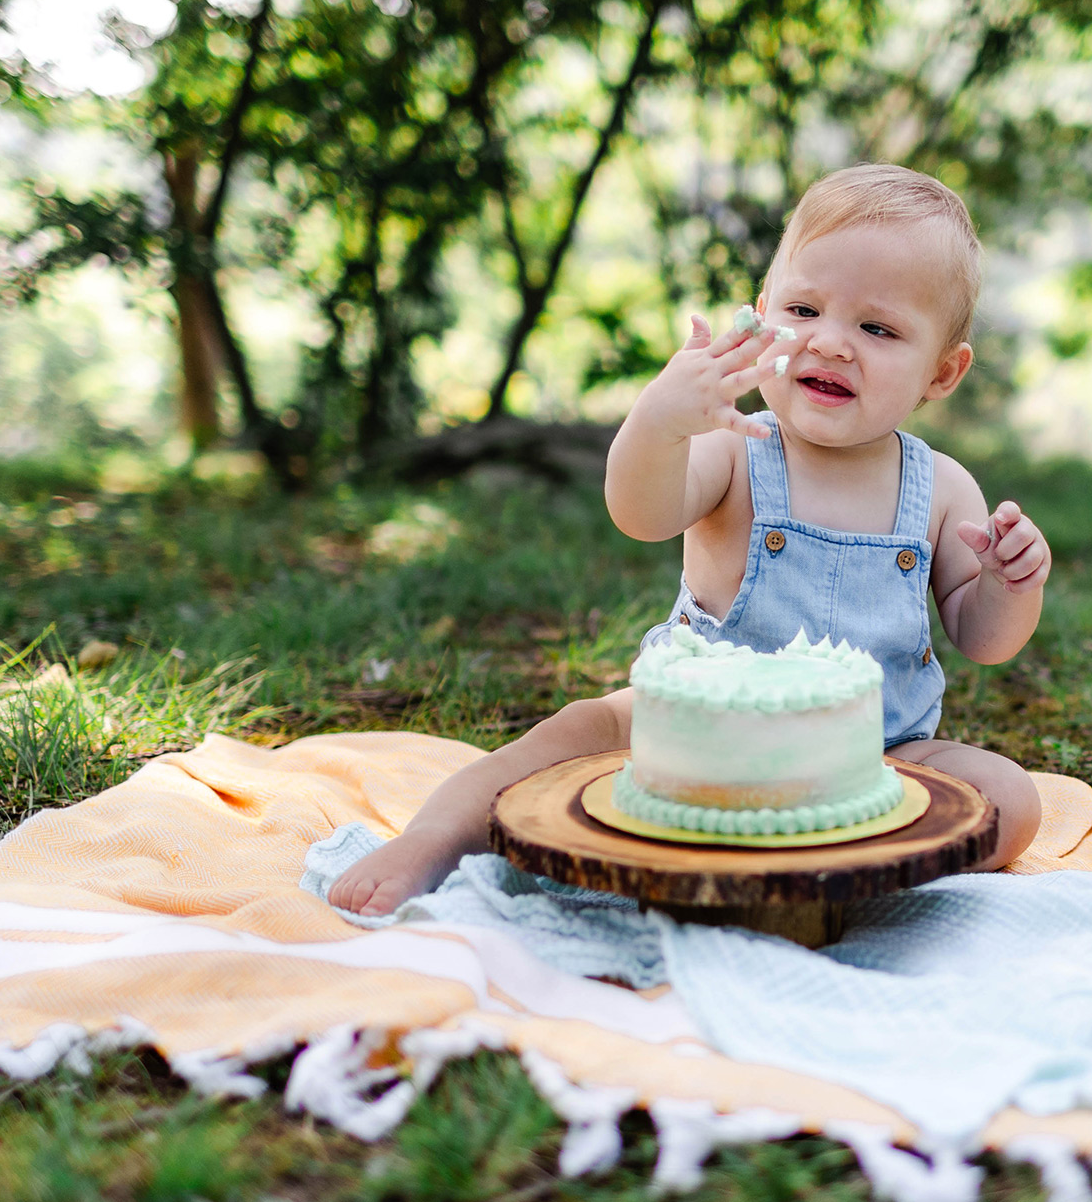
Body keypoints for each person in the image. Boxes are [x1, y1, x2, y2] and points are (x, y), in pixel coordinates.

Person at [328, 163, 1051, 916]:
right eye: (804, 309)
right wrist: (661, 420)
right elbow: (639, 511)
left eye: (877, 328)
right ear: (762, 313)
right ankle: (432, 842)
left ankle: (847, 864)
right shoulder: (734, 447)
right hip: (686, 738)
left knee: (1008, 796)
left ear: (943, 370)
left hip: (870, 758)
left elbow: (984, 637)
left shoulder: (941, 488)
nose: (830, 343)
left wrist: (1009, 582)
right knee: (574, 732)